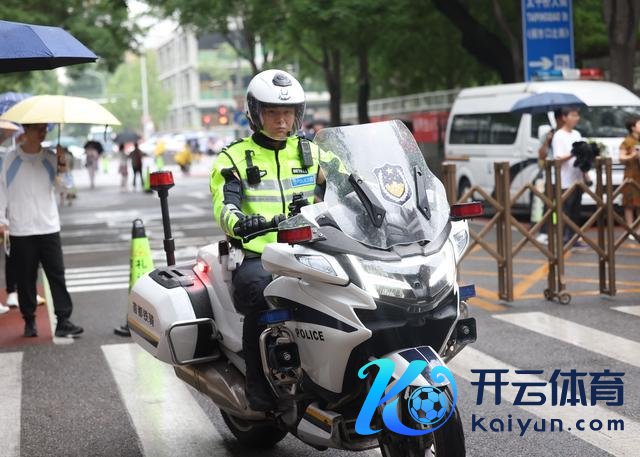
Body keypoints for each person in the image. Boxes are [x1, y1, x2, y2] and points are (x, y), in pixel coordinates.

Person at [210, 69, 324, 411]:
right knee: (261, 298)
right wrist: (240, 222)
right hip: (261, 254)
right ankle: (259, 392)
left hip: (312, 247)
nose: (281, 120)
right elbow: (223, 205)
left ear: (297, 114)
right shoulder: (233, 158)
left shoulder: (311, 152)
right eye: (272, 112)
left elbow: (351, 183)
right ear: (255, 113)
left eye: (287, 112)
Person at [0, 123, 83, 337]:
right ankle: (29, 320)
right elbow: (1, 190)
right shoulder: (11, 159)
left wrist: (63, 167)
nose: (43, 131)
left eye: (45, 128)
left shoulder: (50, 158)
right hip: (21, 229)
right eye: (38, 128)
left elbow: (65, 189)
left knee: (57, 274)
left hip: (49, 226)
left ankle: (64, 320)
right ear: (25, 131)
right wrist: (2, 219)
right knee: (26, 277)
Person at [551, 107, 586, 248]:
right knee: (565, 211)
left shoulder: (577, 134)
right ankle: (563, 239)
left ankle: (574, 238)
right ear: (564, 117)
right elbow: (558, 159)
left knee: (576, 212)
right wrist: (573, 153)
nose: (576, 118)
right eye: (573, 115)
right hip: (564, 181)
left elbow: (582, 155)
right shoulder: (559, 135)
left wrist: (586, 174)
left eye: (577, 115)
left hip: (577, 179)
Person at [619, 115, 640, 240]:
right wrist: (632, 155)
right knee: (629, 203)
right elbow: (621, 158)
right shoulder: (627, 141)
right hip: (631, 175)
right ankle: (630, 228)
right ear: (633, 127)